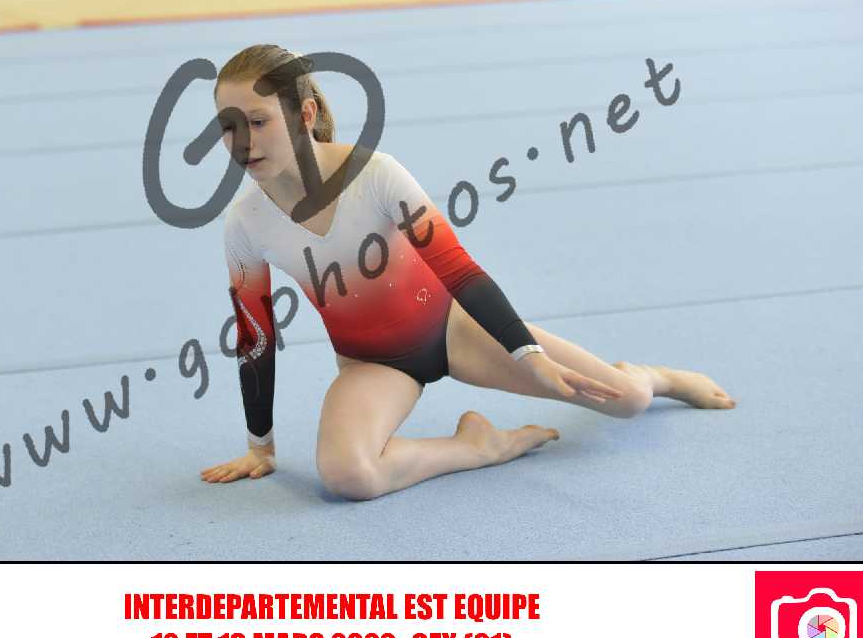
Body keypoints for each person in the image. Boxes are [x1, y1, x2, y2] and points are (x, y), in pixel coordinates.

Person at [203, 45, 735, 500]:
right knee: (348, 475)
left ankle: (656, 377)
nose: (242, 142)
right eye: (229, 126)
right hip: (371, 364)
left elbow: (459, 270)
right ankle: (476, 447)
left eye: (258, 121)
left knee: (628, 400)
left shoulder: (375, 175)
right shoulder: (246, 224)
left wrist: (530, 356)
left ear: (304, 114)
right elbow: (256, 339)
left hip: (457, 329)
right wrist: (260, 447)